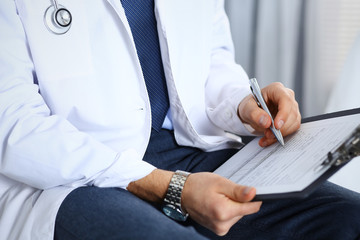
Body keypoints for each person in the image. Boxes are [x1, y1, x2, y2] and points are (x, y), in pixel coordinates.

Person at [0, 0, 359, 239]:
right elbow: (13, 123)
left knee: (348, 216)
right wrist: (170, 186)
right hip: (74, 174)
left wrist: (244, 103)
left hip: (191, 150)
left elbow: (211, 58)